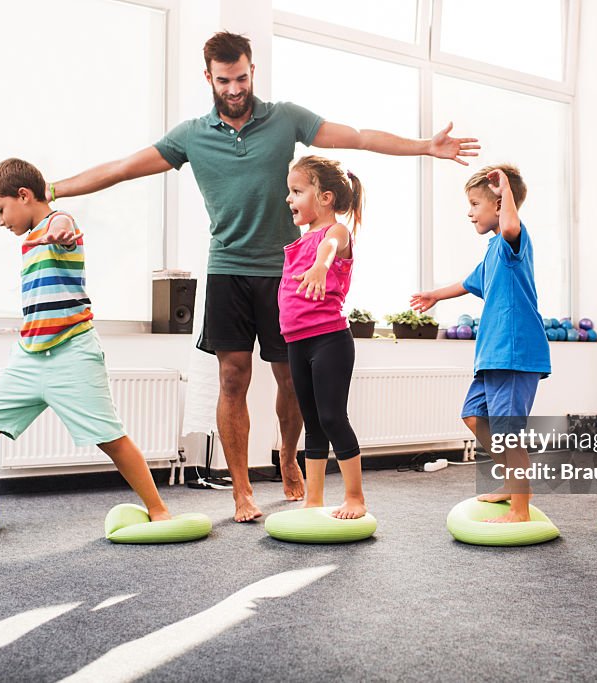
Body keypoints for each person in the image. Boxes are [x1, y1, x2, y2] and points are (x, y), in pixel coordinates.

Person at [47, 31, 479, 522]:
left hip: (287, 273)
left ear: (253, 72)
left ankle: (290, 458)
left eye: (243, 77)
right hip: (228, 270)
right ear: (208, 77)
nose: (235, 88)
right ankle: (241, 489)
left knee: (292, 381)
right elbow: (123, 168)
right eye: (225, 80)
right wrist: (51, 188)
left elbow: (358, 137)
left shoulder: (285, 119)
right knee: (233, 377)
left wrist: (424, 146)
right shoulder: (191, 135)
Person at [0, 158, 171, 521]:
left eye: (0, 210)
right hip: (28, 356)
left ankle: (159, 509)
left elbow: (63, 221)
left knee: (111, 438)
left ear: (24, 195)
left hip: (73, 352)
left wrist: (60, 226)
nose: (0, 221)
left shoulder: (59, 226)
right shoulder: (28, 242)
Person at [410, 165, 551, 523]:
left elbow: (510, 226)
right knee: (473, 416)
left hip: (514, 354)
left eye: (475, 203)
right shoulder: (492, 251)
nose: (469, 211)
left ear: (501, 204)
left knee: (507, 431)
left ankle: (520, 507)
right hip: (492, 355)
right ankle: (509, 482)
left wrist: (504, 190)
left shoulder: (512, 242)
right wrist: (434, 295)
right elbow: (468, 283)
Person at [280, 156, 366, 519]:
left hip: (330, 340)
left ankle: (356, 497)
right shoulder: (304, 239)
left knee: (333, 418)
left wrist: (320, 264)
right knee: (312, 423)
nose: (289, 199)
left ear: (326, 197)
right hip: (297, 342)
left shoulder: (336, 233)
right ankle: (312, 498)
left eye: (297, 191)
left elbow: (331, 247)